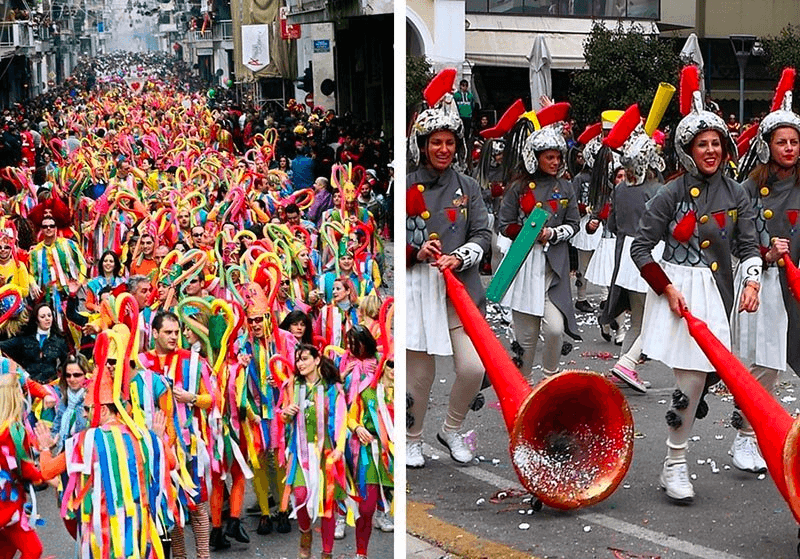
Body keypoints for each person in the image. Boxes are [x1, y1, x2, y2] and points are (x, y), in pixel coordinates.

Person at [630, 85, 762, 503]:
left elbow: (747, 244)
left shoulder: (737, 192)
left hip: (719, 295)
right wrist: (665, 287)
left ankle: (682, 455)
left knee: (704, 379)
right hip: (679, 295)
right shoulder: (669, 193)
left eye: (716, 143)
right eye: (702, 144)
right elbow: (639, 247)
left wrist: (754, 279)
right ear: (687, 150)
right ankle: (674, 463)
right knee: (689, 383)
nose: (711, 151)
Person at [406, 70, 490, 468]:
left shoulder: (469, 186)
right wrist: (416, 252)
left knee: (472, 368)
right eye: (435, 142)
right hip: (419, 289)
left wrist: (460, 257)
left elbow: (483, 235)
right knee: (418, 377)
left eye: (449, 142)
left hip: (458, 288)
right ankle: (412, 437)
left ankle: (452, 428)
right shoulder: (402, 184)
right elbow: (384, 239)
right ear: (422, 145)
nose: (442, 149)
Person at [730, 83, 800, 473]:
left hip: (799, 284)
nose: (789, 148)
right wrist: (765, 255)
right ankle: (745, 436)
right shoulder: (748, 189)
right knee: (765, 365)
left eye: (794, 141)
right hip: (767, 283)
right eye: (782, 141)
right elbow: (736, 240)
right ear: (767, 145)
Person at [497, 117, 581, 382]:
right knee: (526, 339)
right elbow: (504, 224)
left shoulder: (567, 186)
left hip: (552, 267)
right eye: (549, 157)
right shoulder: (517, 187)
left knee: (555, 329)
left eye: (558, 157)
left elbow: (574, 224)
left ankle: (549, 379)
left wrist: (551, 234)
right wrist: (528, 233)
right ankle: (522, 389)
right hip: (523, 266)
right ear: (535, 158)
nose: (555, 162)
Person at [603, 120, 665, 393]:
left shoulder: (620, 188)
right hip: (651, 254)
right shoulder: (658, 191)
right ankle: (627, 364)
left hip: (628, 255)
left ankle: (621, 366)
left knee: (639, 318)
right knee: (652, 319)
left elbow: (613, 224)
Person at [280, 344, 347, 559]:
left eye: (305, 359)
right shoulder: (292, 385)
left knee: (327, 504)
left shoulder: (333, 388)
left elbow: (342, 419)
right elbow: (283, 415)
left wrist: (339, 449)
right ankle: (305, 534)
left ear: (317, 360)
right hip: (300, 451)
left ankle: (326, 553)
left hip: (326, 452)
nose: (300, 363)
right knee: (299, 494)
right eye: (298, 359)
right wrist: (286, 413)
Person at [0, 371, 44, 559]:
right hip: (7, 504)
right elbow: (23, 468)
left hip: (6, 501)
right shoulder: (15, 430)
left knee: (6, 551)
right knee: (33, 550)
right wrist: (45, 476)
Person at [0, 302, 69, 383]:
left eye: (49, 316)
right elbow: (3, 345)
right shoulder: (25, 339)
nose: (47, 319)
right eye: (42, 317)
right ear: (36, 320)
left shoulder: (59, 341)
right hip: (29, 384)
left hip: (51, 384)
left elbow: (66, 363)